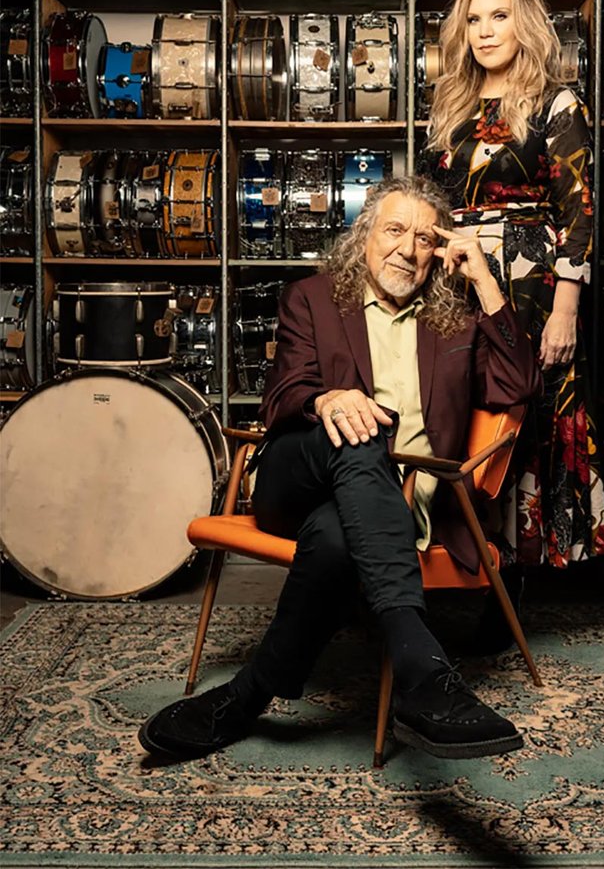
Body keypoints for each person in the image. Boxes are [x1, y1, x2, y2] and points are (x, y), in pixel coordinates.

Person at [138, 175, 540, 762]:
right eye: (394, 230)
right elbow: (281, 397)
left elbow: (520, 385)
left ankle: (246, 696)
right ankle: (422, 666)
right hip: (296, 476)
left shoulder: (453, 319)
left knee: (333, 537)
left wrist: (484, 281)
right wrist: (328, 399)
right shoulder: (314, 297)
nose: (408, 248)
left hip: (391, 502)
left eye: (426, 239)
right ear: (364, 236)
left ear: (440, 253)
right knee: (363, 424)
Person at [418, 0, 604, 623]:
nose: (483, 30)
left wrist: (565, 306)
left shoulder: (557, 102)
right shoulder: (450, 107)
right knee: (465, 414)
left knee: (525, 417)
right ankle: (470, 563)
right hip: (456, 281)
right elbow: (429, 201)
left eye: (498, 15)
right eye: (473, 18)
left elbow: (580, 212)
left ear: (524, 23)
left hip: (531, 288)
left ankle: (521, 582)